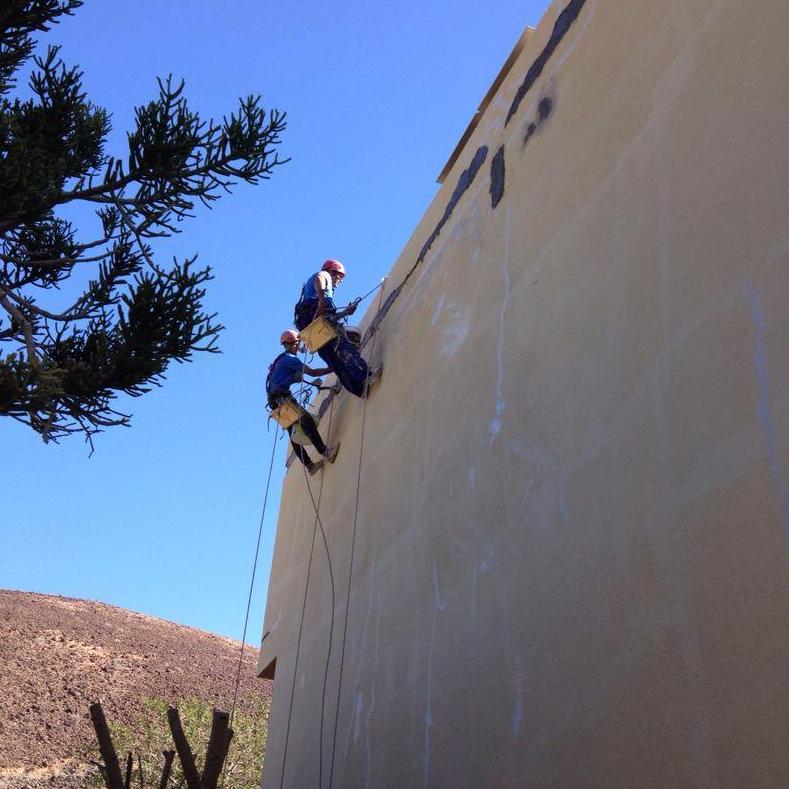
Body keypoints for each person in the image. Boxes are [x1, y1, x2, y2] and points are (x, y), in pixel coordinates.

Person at [293, 259, 381, 398]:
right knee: (345, 348)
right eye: (339, 276)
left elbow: (325, 318)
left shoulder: (308, 300)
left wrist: (346, 312)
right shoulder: (324, 276)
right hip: (321, 325)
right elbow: (320, 277)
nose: (340, 281)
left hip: (317, 333)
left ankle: (360, 389)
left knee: (337, 363)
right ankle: (366, 376)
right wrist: (322, 299)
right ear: (332, 271)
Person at [266, 329, 339, 475]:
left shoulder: (280, 361)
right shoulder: (290, 360)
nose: (299, 347)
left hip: (274, 401)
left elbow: (283, 379)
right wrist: (332, 368)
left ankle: (310, 466)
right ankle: (325, 452)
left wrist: (296, 378)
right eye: (298, 344)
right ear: (293, 343)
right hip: (282, 398)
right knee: (306, 421)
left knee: (294, 432)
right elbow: (313, 373)